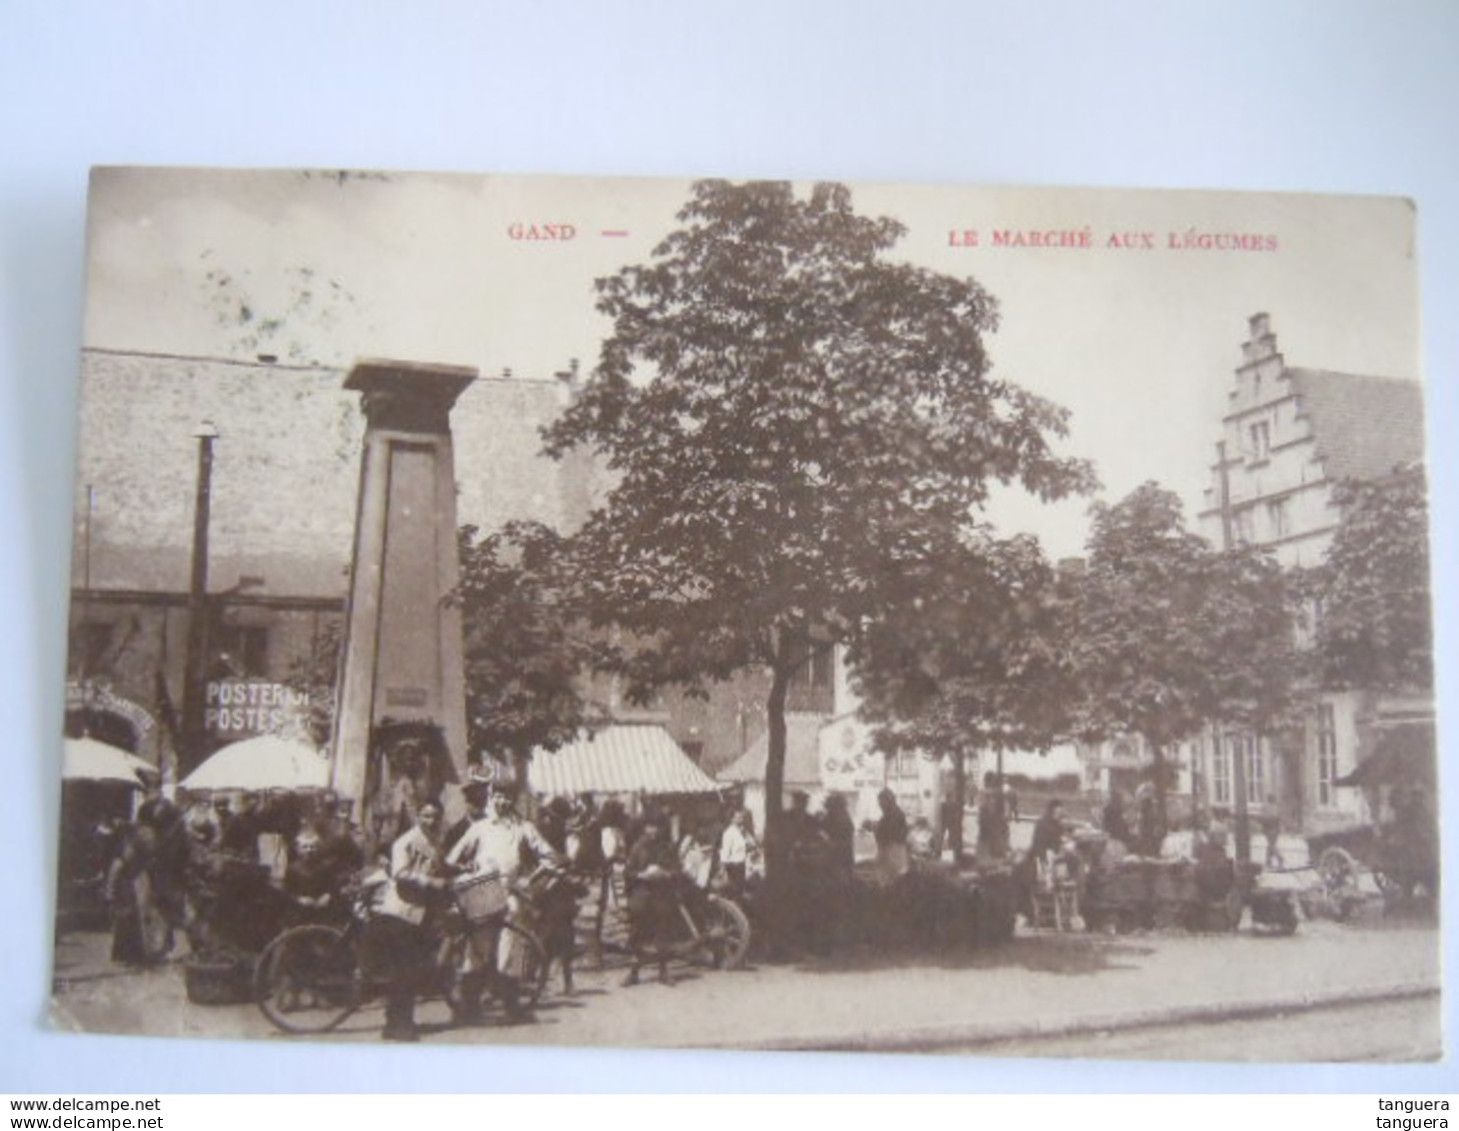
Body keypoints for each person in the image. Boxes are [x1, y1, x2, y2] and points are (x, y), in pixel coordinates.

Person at [446, 781, 564, 1022]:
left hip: (511, 895)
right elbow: (451, 859)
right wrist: (466, 869)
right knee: (477, 950)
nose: (502, 802)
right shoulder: (480, 828)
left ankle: (512, 1008)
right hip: (482, 892)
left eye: (507, 798)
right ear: (491, 797)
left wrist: (529, 880)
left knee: (510, 951)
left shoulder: (524, 828)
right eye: (498, 796)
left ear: (514, 800)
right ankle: (469, 1009)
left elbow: (552, 857)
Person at [358, 798, 452, 1042]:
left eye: (435, 817)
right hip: (400, 911)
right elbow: (400, 873)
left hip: (419, 913)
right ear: (418, 817)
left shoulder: (435, 842)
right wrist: (431, 882)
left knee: (409, 969)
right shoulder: (405, 841)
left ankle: (397, 1021)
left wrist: (459, 869)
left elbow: (440, 866)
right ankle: (399, 1026)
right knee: (405, 970)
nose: (431, 821)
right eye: (426, 816)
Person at [621, 812, 685, 986]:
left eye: (657, 827)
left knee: (663, 932)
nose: (653, 831)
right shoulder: (637, 847)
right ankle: (634, 972)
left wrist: (666, 873)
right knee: (637, 933)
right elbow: (628, 873)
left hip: (661, 894)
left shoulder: (668, 847)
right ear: (644, 828)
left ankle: (663, 972)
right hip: (642, 894)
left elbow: (678, 871)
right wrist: (641, 875)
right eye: (650, 826)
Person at [718, 808, 758, 895]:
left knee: (741, 889)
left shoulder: (742, 832)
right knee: (735, 890)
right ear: (732, 819)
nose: (741, 819)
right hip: (733, 866)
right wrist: (723, 867)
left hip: (742, 864)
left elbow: (748, 844)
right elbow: (725, 851)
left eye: (742, 817)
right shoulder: (729, 833)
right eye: (738, 817)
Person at [874, 789, 910, 880]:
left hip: (891, 852)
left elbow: (887, 834)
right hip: (895, 852)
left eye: (881, 802)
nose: (880, 805)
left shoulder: (891, 815)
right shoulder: (896, 813)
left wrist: (877, 829)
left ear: (887, 801)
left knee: (890, 882)